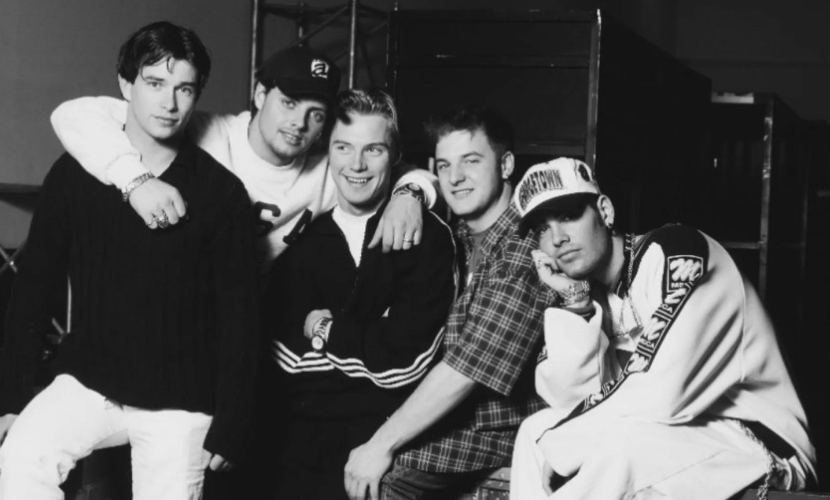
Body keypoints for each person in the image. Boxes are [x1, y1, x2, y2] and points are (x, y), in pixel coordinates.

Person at [0, 21, 261, 500]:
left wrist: (233, 420)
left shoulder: (221, 193)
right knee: (23, 456)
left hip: (183, 394)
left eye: (184, 88)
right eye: (155, 84)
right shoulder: (75, 174)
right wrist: (11, 401)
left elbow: (242, 316)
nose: (169, 103)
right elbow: (35, 286)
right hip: (93, 378)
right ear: (125, 85)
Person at [509, 157, 816, 500]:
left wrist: (566, 443)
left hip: (757, 440)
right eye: (541, 229)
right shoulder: (584, 290)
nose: (557, 239)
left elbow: (662, 393)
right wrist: (575, 303)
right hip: (672, 435)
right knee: (535, 431)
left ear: (605, 212)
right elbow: (570, 399)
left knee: (615, 450)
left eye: (568, 216)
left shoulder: (677, 251)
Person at [50, 45, 437, 274]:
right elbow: (74, 114)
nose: (298, 123)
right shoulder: (206, 132)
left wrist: (410, 196)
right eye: (288, 103)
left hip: (256, 314)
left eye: (315, 113)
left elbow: (400, 171)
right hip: (171, 301)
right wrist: (136, 180)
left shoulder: (329, 166)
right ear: (259, 94)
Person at [343, 105, 554, 500]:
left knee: (379, 483)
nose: (455, 178)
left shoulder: (525, 248)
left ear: (506, 164)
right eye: (444, 165)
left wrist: (380, 445)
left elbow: (469, 366)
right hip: (449, 416)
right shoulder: (451, 233)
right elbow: (394, 173)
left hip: (498, 430)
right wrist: (407, 195)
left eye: (471, 162)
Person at [263, 89, 456, 499]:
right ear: (327, 152)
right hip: (298, 451)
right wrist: (368, 336)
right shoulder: (303, 243)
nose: (357, 164)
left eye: (373, 149)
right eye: (343, 147)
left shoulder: (427, 237)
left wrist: (325, 329)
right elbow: (286, 364)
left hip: (387, 450)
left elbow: (403, 365)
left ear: (395, 155)